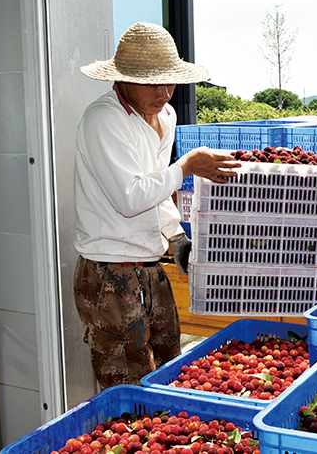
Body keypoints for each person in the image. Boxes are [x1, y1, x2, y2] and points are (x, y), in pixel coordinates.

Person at [72, 22, 238, 389]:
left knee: (168, 365)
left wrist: (176, 235)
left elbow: (156, 182)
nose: (164, 93)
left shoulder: (165, 116)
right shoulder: (104, 119)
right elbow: (130, 197)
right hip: (109, 270)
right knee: (127, 380)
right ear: (124, 79)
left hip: (148, 263)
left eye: (170, 82)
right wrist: (187, 166)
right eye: (152, 83)